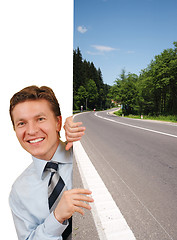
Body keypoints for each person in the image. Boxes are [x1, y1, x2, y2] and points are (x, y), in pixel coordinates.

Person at [9, 85, 93, 240]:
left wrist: (78, 126)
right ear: (15, 129)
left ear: (58, 122)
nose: (32, 131)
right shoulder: (19, 191)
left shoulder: (83, 151)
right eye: (21, 123)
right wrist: (56, 218)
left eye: (40, 119)